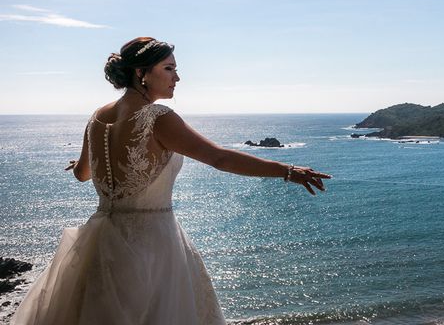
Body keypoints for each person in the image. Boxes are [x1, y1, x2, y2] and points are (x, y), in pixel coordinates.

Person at [11, 37, 331, 325]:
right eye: (169, 68)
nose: (177, 77)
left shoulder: (98, 117)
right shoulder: (158, 117)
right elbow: (219, 158)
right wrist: (287, 171)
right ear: (142, 74)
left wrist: (99, 161)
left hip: (100, 239)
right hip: (152, 245)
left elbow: (83, 173)